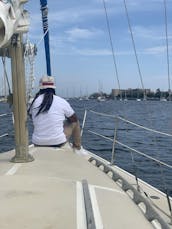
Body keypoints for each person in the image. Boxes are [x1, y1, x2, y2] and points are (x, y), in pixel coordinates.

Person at [28, 76, 85, 154]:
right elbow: (74, 119)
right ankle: (77, 148)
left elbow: (32, 117)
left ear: (40, 87)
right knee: (76, 122)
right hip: (57, 142)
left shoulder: (33, 102)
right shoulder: (61, 101)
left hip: (37, 142)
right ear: (53, 87)